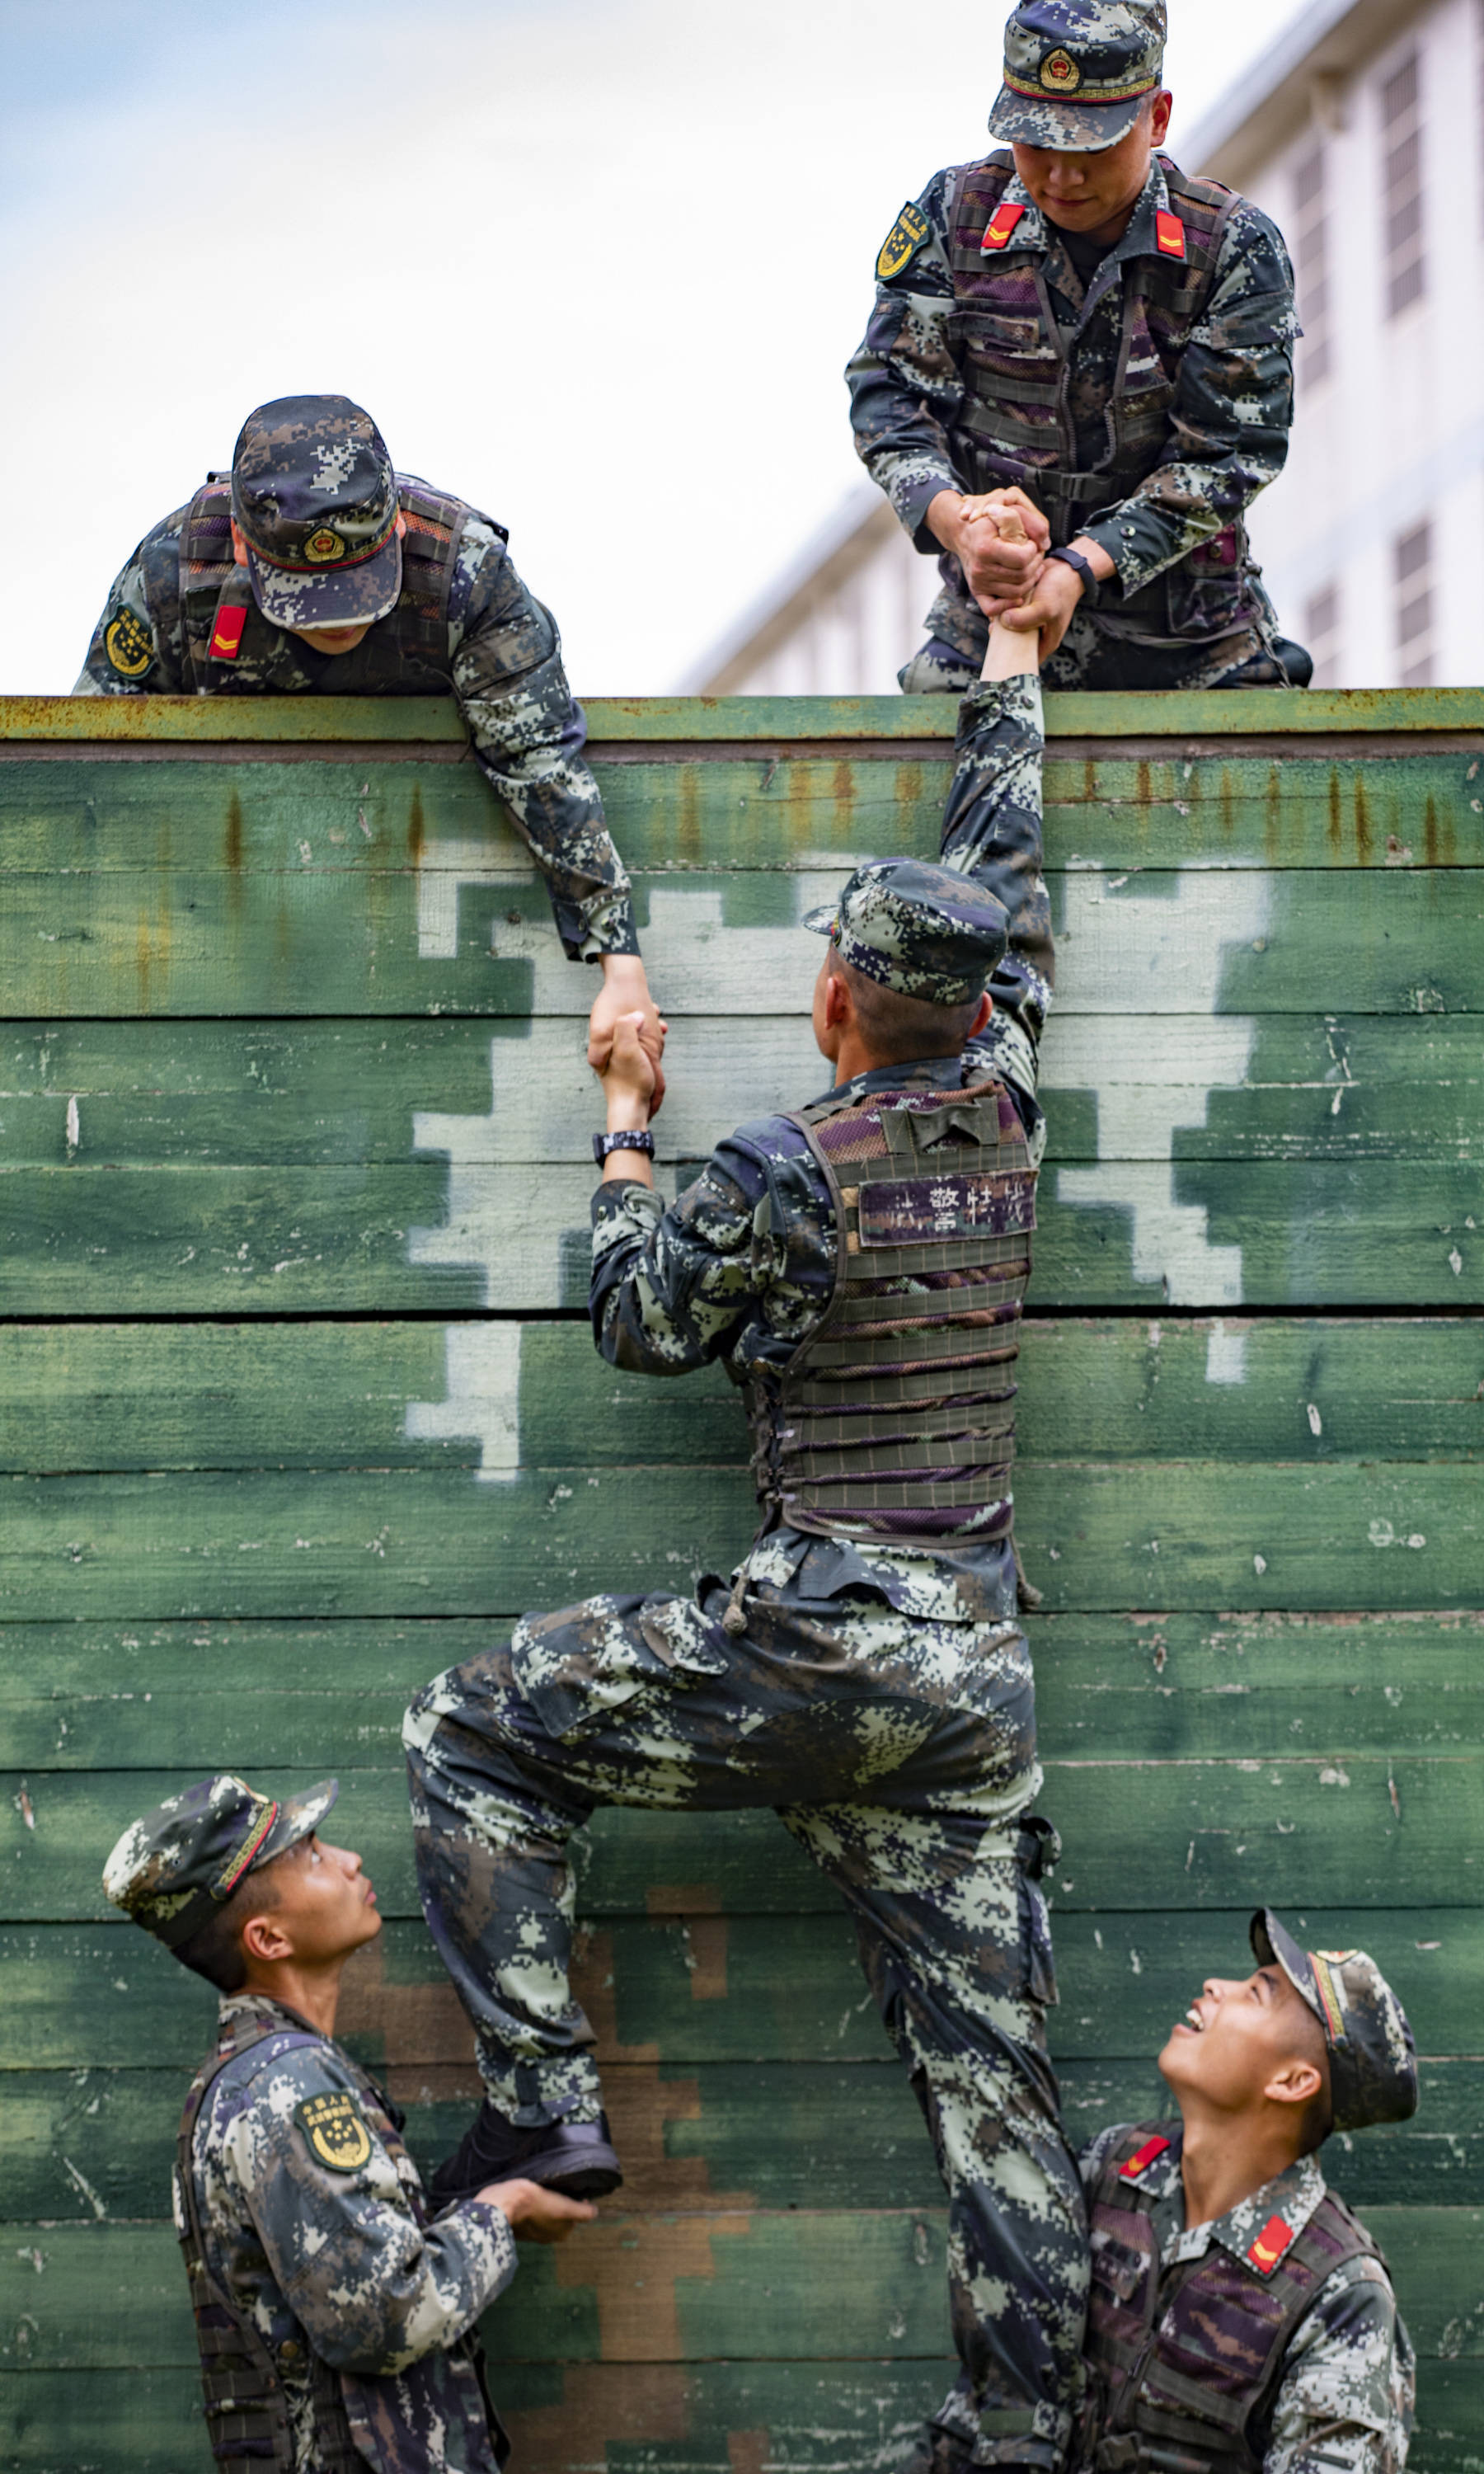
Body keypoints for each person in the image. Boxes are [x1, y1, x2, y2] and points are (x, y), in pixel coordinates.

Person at [402, 609, 1089, 2474]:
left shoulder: (790, 1163)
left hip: (818, 1643)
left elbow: (638, 1321)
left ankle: (541, 2109)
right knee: (996, 2090)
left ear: (833, 1003)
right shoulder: (1009, 1102)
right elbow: (1003, 885)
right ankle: (1028, 2436)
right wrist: (1009, 676)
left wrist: (626, 1127)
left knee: (469, 1730)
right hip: (970, 1673)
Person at [74, 393, 663, 1070]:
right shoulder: (173, 573)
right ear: (242, 542)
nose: (335, 622)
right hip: (219, 941)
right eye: (307, 594)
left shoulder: (463, 572)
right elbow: (99, 771)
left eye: (356, 586)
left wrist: (619, 962)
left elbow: (537, 759)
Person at [101, 1771, 595, 2473]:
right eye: (310, 1857)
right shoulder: (288, 2084)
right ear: (268, 1938)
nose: (348, 1860)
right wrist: (503, 2209)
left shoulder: (260, 2076)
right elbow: (383, 2314)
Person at [847, 1, 1310, 694]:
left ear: (1156, 118)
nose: (1062, 178)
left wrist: (1079, 565)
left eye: (1090, 147)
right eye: (1037, 144)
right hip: (991, 626)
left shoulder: (1231, 250)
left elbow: (1229, 455)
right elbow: (889, 397)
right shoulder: (955, 219)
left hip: (1191, 643)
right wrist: (963, 523)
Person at [1074, 1910, 1419, 2473]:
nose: (1216, 1986)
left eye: (1257, 1994)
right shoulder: (1111, 2167)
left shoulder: (1341, 2297)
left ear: (1291, 2081)